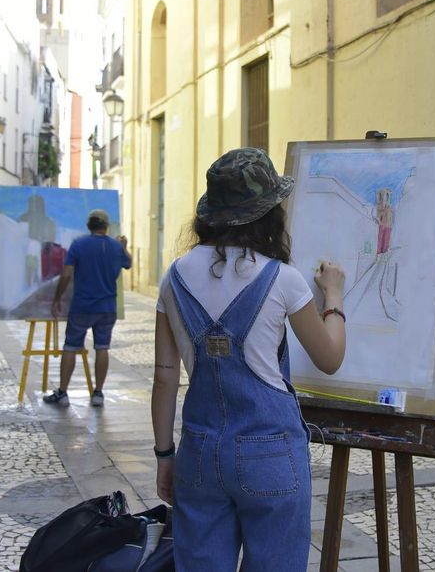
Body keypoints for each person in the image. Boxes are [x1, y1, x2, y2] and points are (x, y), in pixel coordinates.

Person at [151, 148, 347, 571]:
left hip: (200, 451)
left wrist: (165, 455)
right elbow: (329, 358)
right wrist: (333, 296)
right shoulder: (283, 279)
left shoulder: (174, 277)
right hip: (270, 454)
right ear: (267, 213)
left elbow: (165, 379)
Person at [44, 208, 131, 408]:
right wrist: (124, 247)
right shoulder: (115, 247)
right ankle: (98, 393)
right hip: (107, 307)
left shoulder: (78, 244)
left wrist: (57, 298)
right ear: (106, 226)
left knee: (71, 347)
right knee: (102, 348)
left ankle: (63, 392)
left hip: (82, 306)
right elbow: (128, 263)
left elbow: (66, 275)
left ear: (89, 225)